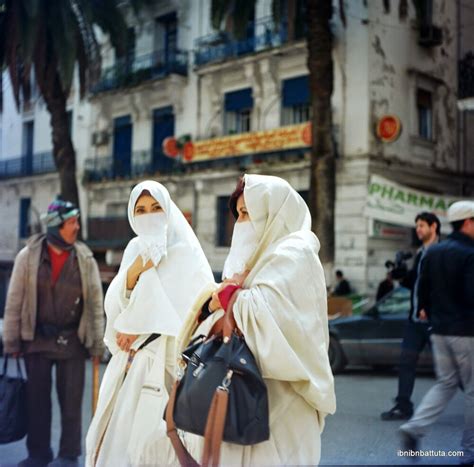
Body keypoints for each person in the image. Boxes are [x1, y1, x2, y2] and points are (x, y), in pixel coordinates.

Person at [177, 174, 336, 466]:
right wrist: (223, 296)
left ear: (272, 213)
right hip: (238, 399)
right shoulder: (252, 260)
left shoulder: (295, 253)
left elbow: (265, 315)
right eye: (238, 215)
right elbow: (218, 309)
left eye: (247, 213)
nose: (241, 223)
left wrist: (226, 295)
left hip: (284, 400)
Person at [85, 181, 213, 467]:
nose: (149, 215)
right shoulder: (134, 248)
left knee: (158, 446)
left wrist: (138, 325)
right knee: (117, 443)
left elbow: (195, 311)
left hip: (169, 365)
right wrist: (136, 270)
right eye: (141, 210)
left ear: (167, 210)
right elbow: (115, 304)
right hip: (129, 366)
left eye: (156, 207)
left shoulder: (185, 252)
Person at [2, 197, 105, 467]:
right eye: (71, 222)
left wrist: (96, 345)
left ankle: (69, 455)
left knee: (71, 404)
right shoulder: (29, 256)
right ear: (56, 225)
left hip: (72, 341)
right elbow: (14, 301)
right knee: (37, 402)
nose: (77, 227)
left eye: (76, 221)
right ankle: (38, 454)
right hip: (36, 340)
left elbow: (95, 304)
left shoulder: (84, 258)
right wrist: (11, 340)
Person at [400, 200, 474, 465]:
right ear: (467, 222)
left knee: (446, 383)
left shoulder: (436, 252)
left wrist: (426, 310)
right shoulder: (469, 253)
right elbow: (470, 295)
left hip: (438, 330)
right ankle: (469, 452)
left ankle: (413, 427)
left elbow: (423, 291)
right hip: (466, 331)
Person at [381, 211, 440, 421]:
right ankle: (403, 405)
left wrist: (429, 308)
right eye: (417, 226)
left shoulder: (441, 252)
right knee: (406, 362)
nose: (418, 229)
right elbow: (415, 284)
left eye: (422, 225)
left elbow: (442, 286)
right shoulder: (421, 253)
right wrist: (400, 275)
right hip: (415, 321)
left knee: (453, 370)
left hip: (435, 321)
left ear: (434, 227)